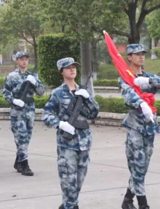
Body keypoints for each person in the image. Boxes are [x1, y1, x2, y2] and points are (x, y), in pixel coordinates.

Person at [120, 44, 160, 209]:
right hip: (135, 126)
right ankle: (143, 204)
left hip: (149, 127)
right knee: (138, 165)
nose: (141, 57)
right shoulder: (125, 77)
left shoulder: (148, 77)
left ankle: (128, 199)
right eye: (137, 54)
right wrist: (141, 103)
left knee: (143, 166)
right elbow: (128, 96)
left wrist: (149, 81)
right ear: (129, 57)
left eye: (143, 54)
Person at [43, 57, 100, 209]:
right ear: (62, 71)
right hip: (67, 144)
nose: (72, 69)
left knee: (79, 182)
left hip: (84, 142)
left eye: (74, 67)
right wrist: (60, 124)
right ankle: (71, 205)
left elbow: (94, 114)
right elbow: (46, 115)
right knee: (69, 184)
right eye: (68, 67)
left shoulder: (83, 91)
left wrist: (88, 99)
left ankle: (68, 205)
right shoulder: (58, 93)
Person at [3, 51, 45, 176]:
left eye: (26, 59)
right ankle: (25, 164)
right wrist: (14, 100)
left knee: (26, 139)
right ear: (16, 61)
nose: (24, 61)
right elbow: (5, 93)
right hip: (17, 112)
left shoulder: (33, 76)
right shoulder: (11, 76)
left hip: (30, 111)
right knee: (21, 138)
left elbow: (41, 92)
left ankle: (18, 161)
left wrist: (35, 82)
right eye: (21, 59)